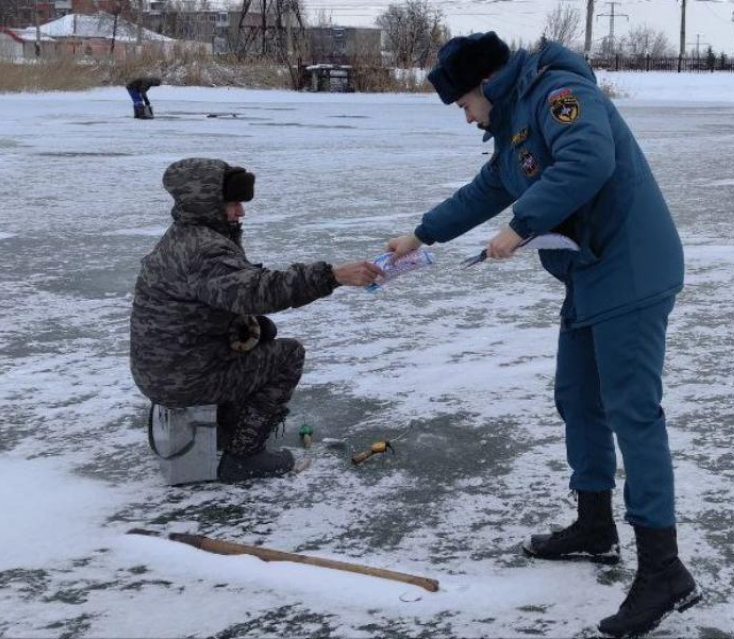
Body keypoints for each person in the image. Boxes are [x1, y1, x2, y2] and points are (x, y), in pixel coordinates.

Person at [386, 32, 700, 638]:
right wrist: (422, 234)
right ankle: (594, 526)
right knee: (578, 399)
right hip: (589, 272)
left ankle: (665, 570)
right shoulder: (514, 122)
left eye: (462, 102)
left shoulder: (558, 92)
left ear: (483, 84)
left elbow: (589, 160)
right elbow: (490, 187)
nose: (464, 114)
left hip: (630, 267)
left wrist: (521, 226)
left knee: (632, 411)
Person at [130, 157, 383, 482]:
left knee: (261, 332)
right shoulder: (204, 251)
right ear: (205, 203)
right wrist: (332, 276)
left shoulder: (185, 235)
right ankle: (244, 455)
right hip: (181, 379)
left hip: (166, 368)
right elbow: (259, 292)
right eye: (232, 202)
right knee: (288, 355)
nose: (241, 212)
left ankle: (226, 426)